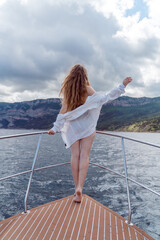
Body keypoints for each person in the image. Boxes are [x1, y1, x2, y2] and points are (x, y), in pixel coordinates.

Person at [48, 64, 132, 203]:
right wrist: (121, 86)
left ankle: (76, 189)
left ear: (71, 76)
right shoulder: (87, 88)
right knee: (84, 156)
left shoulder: (69, 91)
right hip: (87, 128)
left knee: (75, 156)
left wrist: (55, 128)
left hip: (72, 128)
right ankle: (80, 187)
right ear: (84, 76)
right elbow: (103, 99)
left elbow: (63, 111)